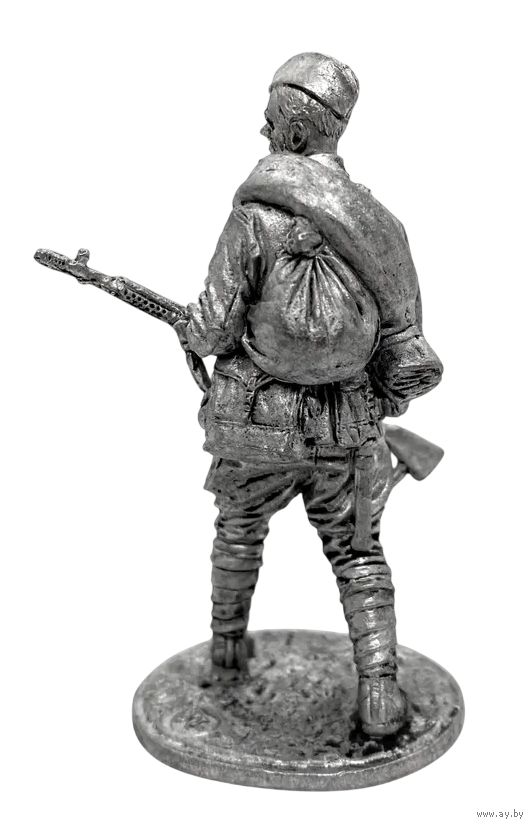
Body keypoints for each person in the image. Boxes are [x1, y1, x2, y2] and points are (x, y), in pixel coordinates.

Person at [184, 53, 443, 737]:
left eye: (270, 121)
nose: (262, 130)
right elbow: (402, 337)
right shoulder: (379, 224)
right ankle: (380, 688)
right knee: (358, 554)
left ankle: (226, 649)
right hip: (345, 424)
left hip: (255, 423)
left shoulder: (253, 218)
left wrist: (189, 326)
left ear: (295, 133)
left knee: (238, 532)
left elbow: (214, 328)